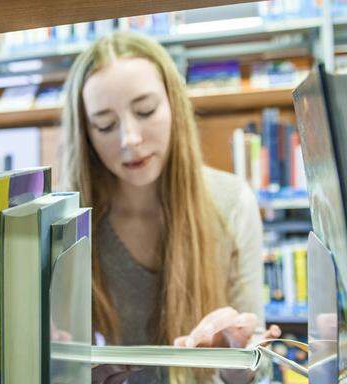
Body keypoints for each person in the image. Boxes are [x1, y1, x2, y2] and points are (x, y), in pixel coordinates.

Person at [60, 32, 281, 383]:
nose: (129, 139)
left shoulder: (232, 202)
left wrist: (235, 358)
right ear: (86, 133)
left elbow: (259, 371)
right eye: (105, 124)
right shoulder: (68, 221)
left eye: (145, 111)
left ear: (174, 104)